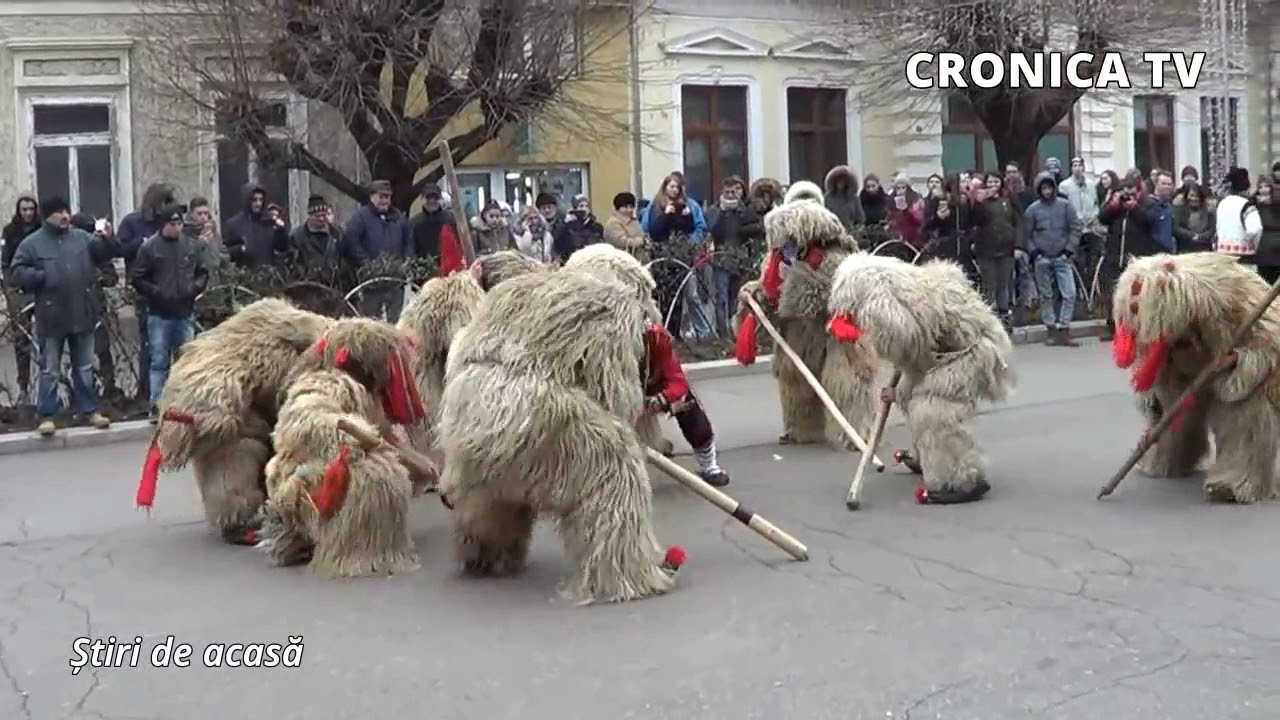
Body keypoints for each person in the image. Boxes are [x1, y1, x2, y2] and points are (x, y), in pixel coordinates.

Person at [8, 196, 119, 436]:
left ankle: (89, 410)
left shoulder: (81, 238)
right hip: (52, 316)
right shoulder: (32, 243)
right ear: (47, 216)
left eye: (66, 211)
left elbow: (104, 253)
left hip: (82, 312)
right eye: (58, 212)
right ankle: (47, 415)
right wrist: (40, 277)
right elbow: (16, 272)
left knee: (85, 367)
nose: (65, 216)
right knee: (50, 369)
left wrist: (107, 238)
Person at [130, 204, 208, 417]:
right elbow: (138, 277)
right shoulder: (150, 248)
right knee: (159, 361)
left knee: (186, 360)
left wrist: (195, 288)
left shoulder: (190, 246)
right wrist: (155, 292)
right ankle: (156, 405)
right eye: (172, 224)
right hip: (159, 313)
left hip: (184, 311)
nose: (177, 228)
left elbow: (202, 272)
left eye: (180, 223)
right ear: (163, 225)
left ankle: (184, 403)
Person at [1021, 171, 1082, 346]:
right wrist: (1035, 254)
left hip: (1062, 257)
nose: (1047, 191)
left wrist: (1069, 250)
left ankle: (1064, 327)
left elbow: (1075, 227)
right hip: (1042, 259)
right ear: (1039, 190)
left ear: (1054, 188)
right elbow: (1027, 234)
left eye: (1049, 187)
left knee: (1069, 293)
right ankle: (1051, 329)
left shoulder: (1065, 206)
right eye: (1043, 188)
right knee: (1046, 295)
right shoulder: (1032, 210)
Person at [344, 179, 412, 321]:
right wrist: (367, 264)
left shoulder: (399, 218)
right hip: (371, 282)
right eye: (381, 197)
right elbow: (352, 242)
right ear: (372, 197)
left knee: (395, 319)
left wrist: (405, 263)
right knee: (371, 319)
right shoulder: (360, 218)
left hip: (395, 280)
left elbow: (409, 242)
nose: (385, 201)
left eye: (387, 197)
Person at [704, 176, 762, 337]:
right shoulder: (715, 209)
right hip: (721, 258)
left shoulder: (743, 209)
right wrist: (723, 212)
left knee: (735, 297)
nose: (731, 195)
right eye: (728, 192)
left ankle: (736, 330)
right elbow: (713, 230)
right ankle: (723, 333)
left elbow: (756, 226)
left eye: (734, 191)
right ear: (722, 192)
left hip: (739, 258)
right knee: (721, 296)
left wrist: (740, 211)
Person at [1, 194, 40, 402]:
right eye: (24, 209)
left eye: (31, 209)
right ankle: (23, 387)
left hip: (40, 288)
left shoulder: (42, 230)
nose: (27, 213)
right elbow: (5, 263)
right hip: (18, 291)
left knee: (47, 340)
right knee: (21, 341)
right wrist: (10, 289)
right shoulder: (10, 231)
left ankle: (46, 388)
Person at [222, 183, 288, 268]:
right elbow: (225, 253)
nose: (258, 204)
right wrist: (240, 249)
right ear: (247, 200)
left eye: (261, 200)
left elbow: (282, 248)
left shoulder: (268, 222)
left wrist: (281, 231)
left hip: (267, 274)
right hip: (244, 275)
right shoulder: (234, 224)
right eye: (254, 200)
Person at [286, 194, 343, 284]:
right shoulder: (297, 236)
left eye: (323, 215)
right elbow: (291, 263)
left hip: (333, 285)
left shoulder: (336, 233)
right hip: (307, 287)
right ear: (309, 215)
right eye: (317, 216)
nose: (321, 219)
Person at [410, 184, 463, 277]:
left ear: (439, 199)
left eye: (435, 197)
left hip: (449, 268)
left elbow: (459, 242)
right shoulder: (415, 222)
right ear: (423, 199)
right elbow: (412, 246)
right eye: (428, 197)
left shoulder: (450, 219)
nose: (432, 200)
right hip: (424, 270)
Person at [1213, 167, 1263, 265]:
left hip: (1223, 255)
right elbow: (1255, 229)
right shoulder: (1247, 206)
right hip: (1244, 258)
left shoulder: (1222, 204)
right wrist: (1254, 246)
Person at [550, 194, 604, 262]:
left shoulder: (596, 227)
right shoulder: (567, 226)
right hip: (571, 262)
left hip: (591, 262)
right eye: (581, 206)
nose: (584, 209)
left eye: (587, 206)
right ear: (575, 209)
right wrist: (565, 223)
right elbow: (557, 243)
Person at [602, 191, 648, 261]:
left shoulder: (634, 221)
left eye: (631, 207)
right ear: (618, 208)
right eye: (625, 207)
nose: (629, 210)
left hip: (639, 260)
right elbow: (621, 241)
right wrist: (640, 241)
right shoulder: (613, 224)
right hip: (621, 262)